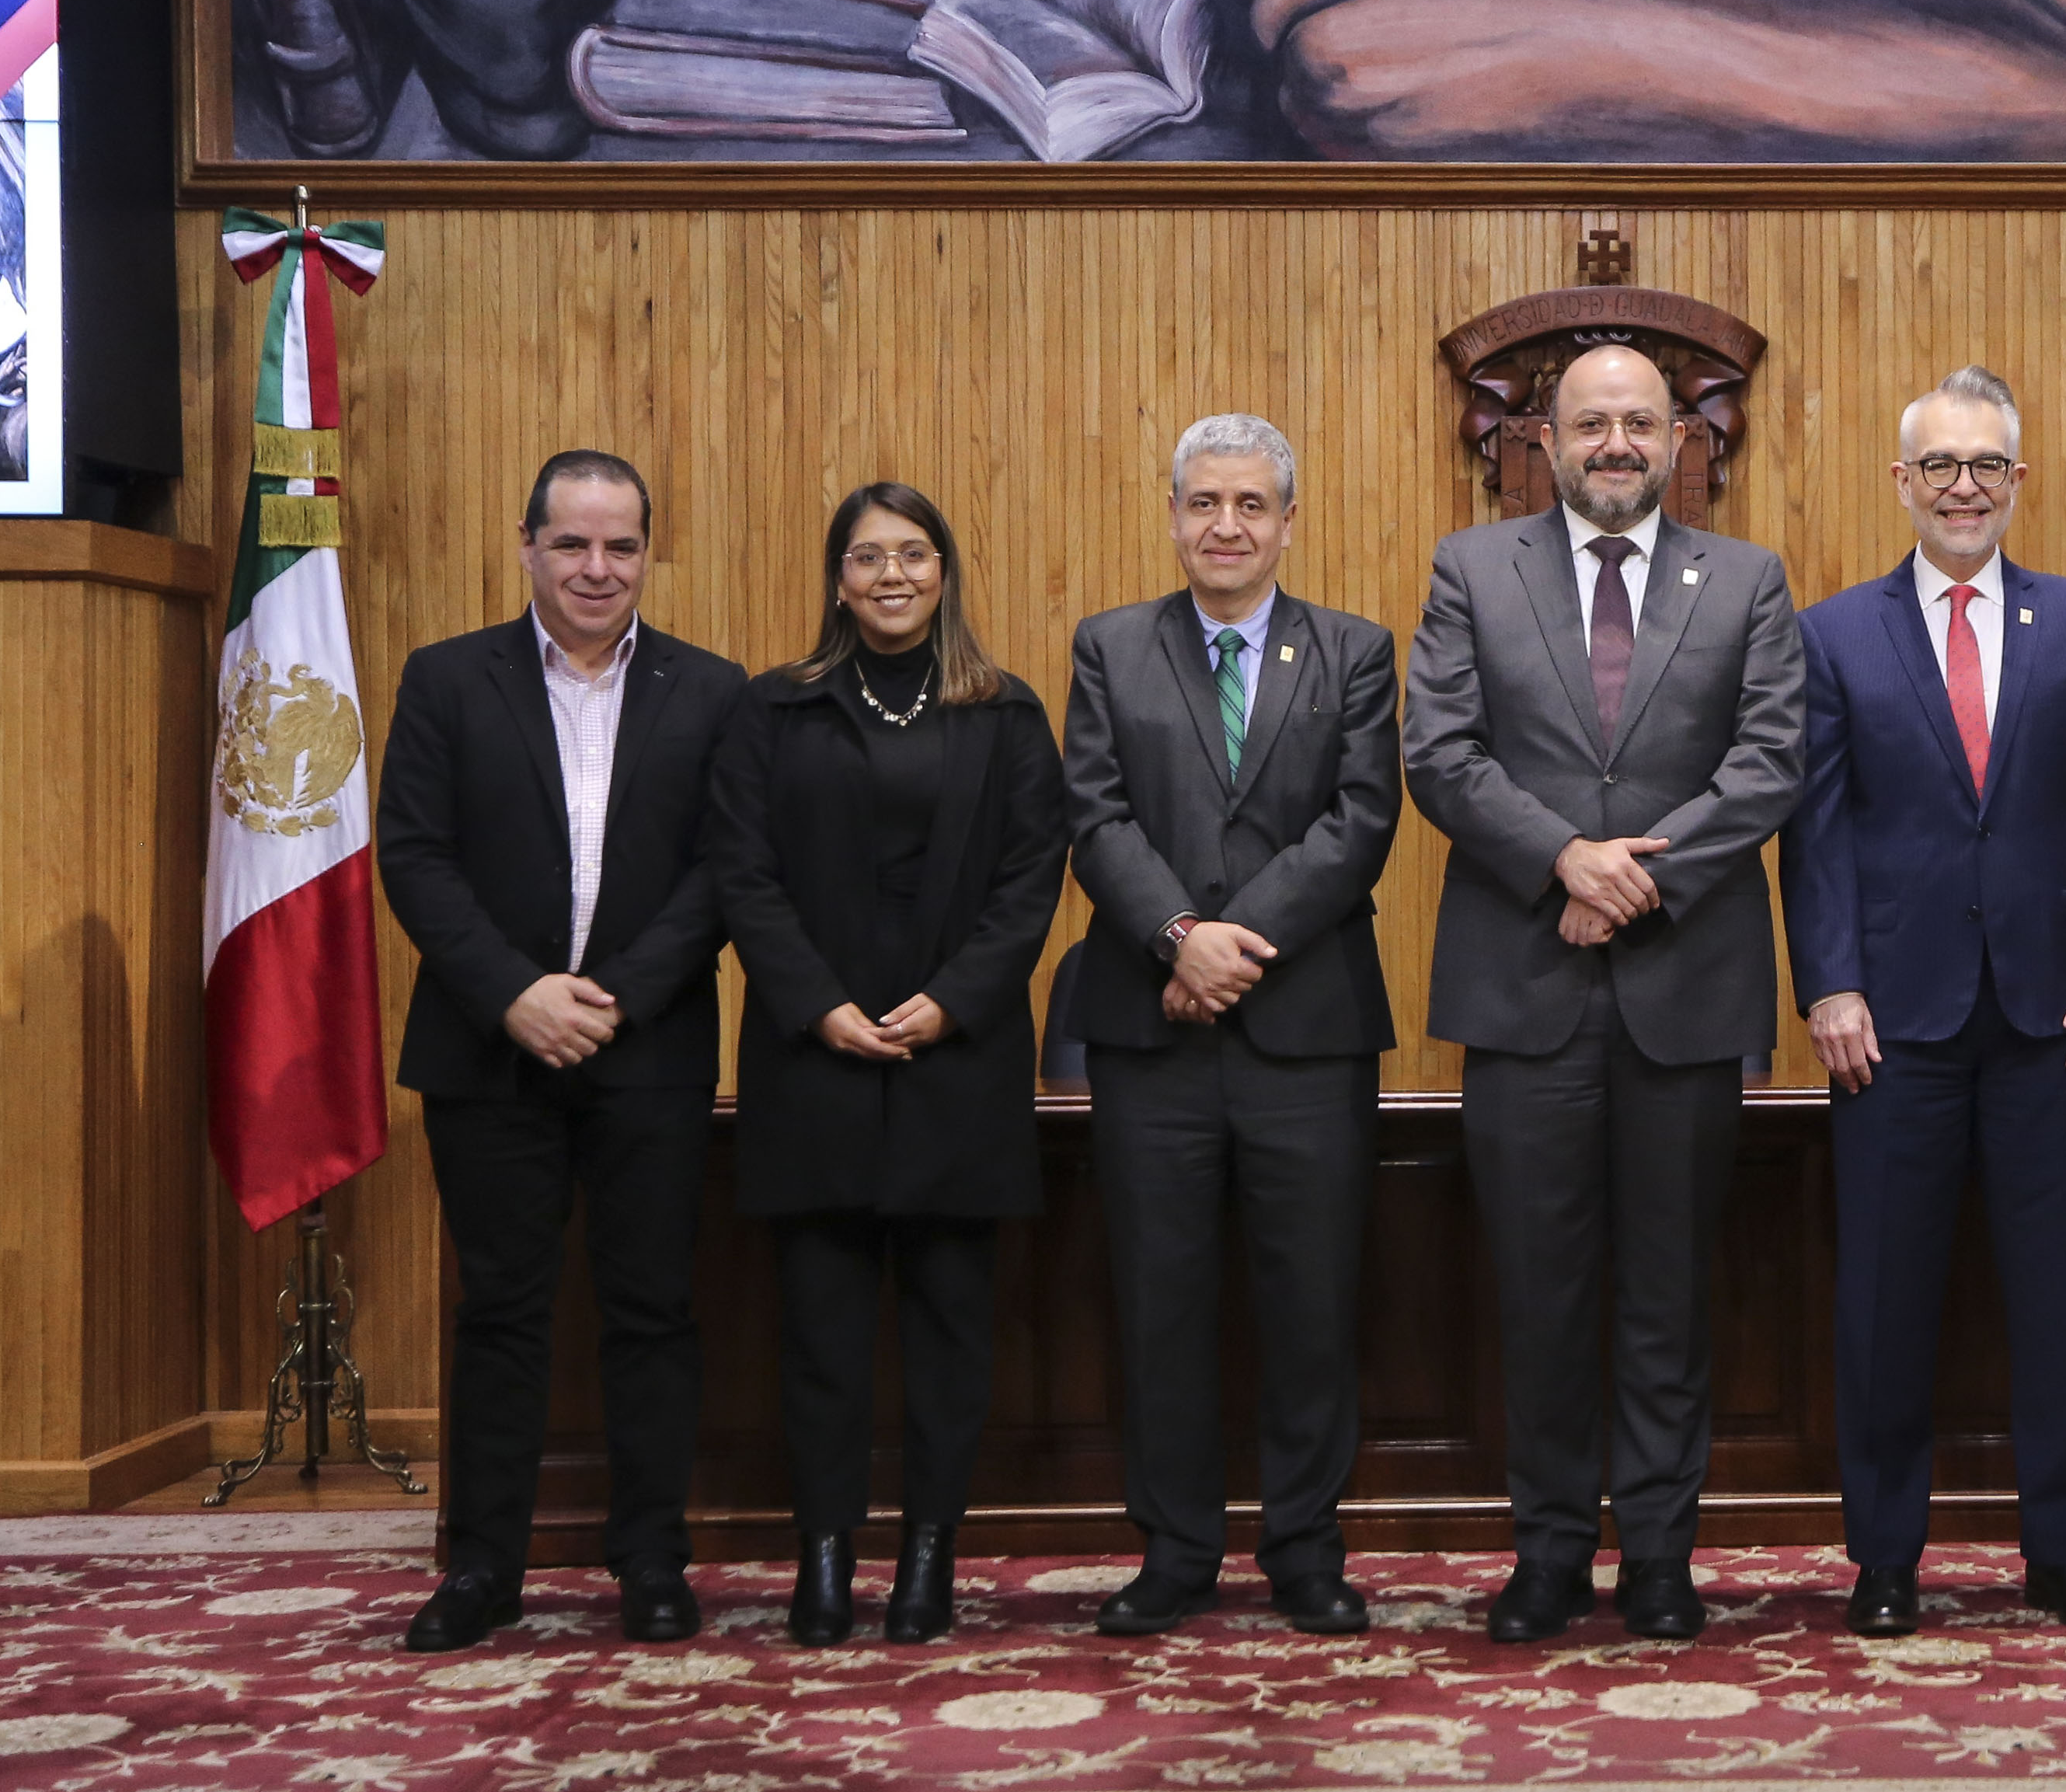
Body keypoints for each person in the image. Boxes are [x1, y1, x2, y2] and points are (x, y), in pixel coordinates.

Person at [1403, 341, 1806, 1643]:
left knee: (1668, 1293)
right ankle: (1547, 1551)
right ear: (1547, 440)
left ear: (1680, 438)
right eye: (1591, 424)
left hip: (1684, 988)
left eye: (1640, 421)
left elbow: (1769, 760)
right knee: (1539, 1292)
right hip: (1524, 986)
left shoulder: (1746, 578)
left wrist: (1632, 879)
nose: (1617, 443)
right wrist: (1562, 859)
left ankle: (1661, 1557)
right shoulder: (1473, 568)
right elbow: (1440, 752)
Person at [1780, 365, 2066, 1637]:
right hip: (1891, 1023)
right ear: (1901, 481)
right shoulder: (1833, 632)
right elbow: (1815, 831)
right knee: (1885, 1302)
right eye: (1939, 465)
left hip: (2057, 1022)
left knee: (2063, 1300)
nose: (1962, 487)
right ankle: (1885, 1559)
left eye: (1986, 464)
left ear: (2017, 480)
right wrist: (1828, 980)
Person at [378, 450, 746, 1652]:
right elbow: (414, 855)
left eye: (621, 545)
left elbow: (724, 870)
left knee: (652, 1310)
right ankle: (484, 1566)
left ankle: (651, 1560)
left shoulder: (713, 690)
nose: (598, 567)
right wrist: (516, 994)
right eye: (573, 542)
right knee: (500, 1313)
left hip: (651, 1051)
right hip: (489, 1052)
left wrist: (613, 999)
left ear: (648, 551)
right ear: (527, 545)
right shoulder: (446, 678)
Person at [1057, 415, 1404, 1640]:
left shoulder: (1353, 651)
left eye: (1251, 503)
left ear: (1288, 522)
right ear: (1172, 516)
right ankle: (1175, 1549)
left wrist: (1228, 943)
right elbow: (1094, 814)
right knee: (1160, 1301)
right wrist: (1175, 936)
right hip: (1150, 1035)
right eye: (1204, 501)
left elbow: (1361, 820)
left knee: (1312, 1302)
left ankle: (1305, 1546)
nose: (1226, 524)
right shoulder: (1110, 646)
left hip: (1306, 1032)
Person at [712, 481, 1071, 1647]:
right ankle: (823, 1555)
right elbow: (742, 872)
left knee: (949, 1333)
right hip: (812, 1064)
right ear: (838, 579)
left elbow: (1032, 878)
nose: (892, 575)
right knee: (818, 1334)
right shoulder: (775, 709)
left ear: (943, 571)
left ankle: (928, 1555)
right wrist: (817, 1005)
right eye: (868, 557)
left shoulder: (1005, 712)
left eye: (913, 554)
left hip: (955, 1065)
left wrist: (952, 1003)